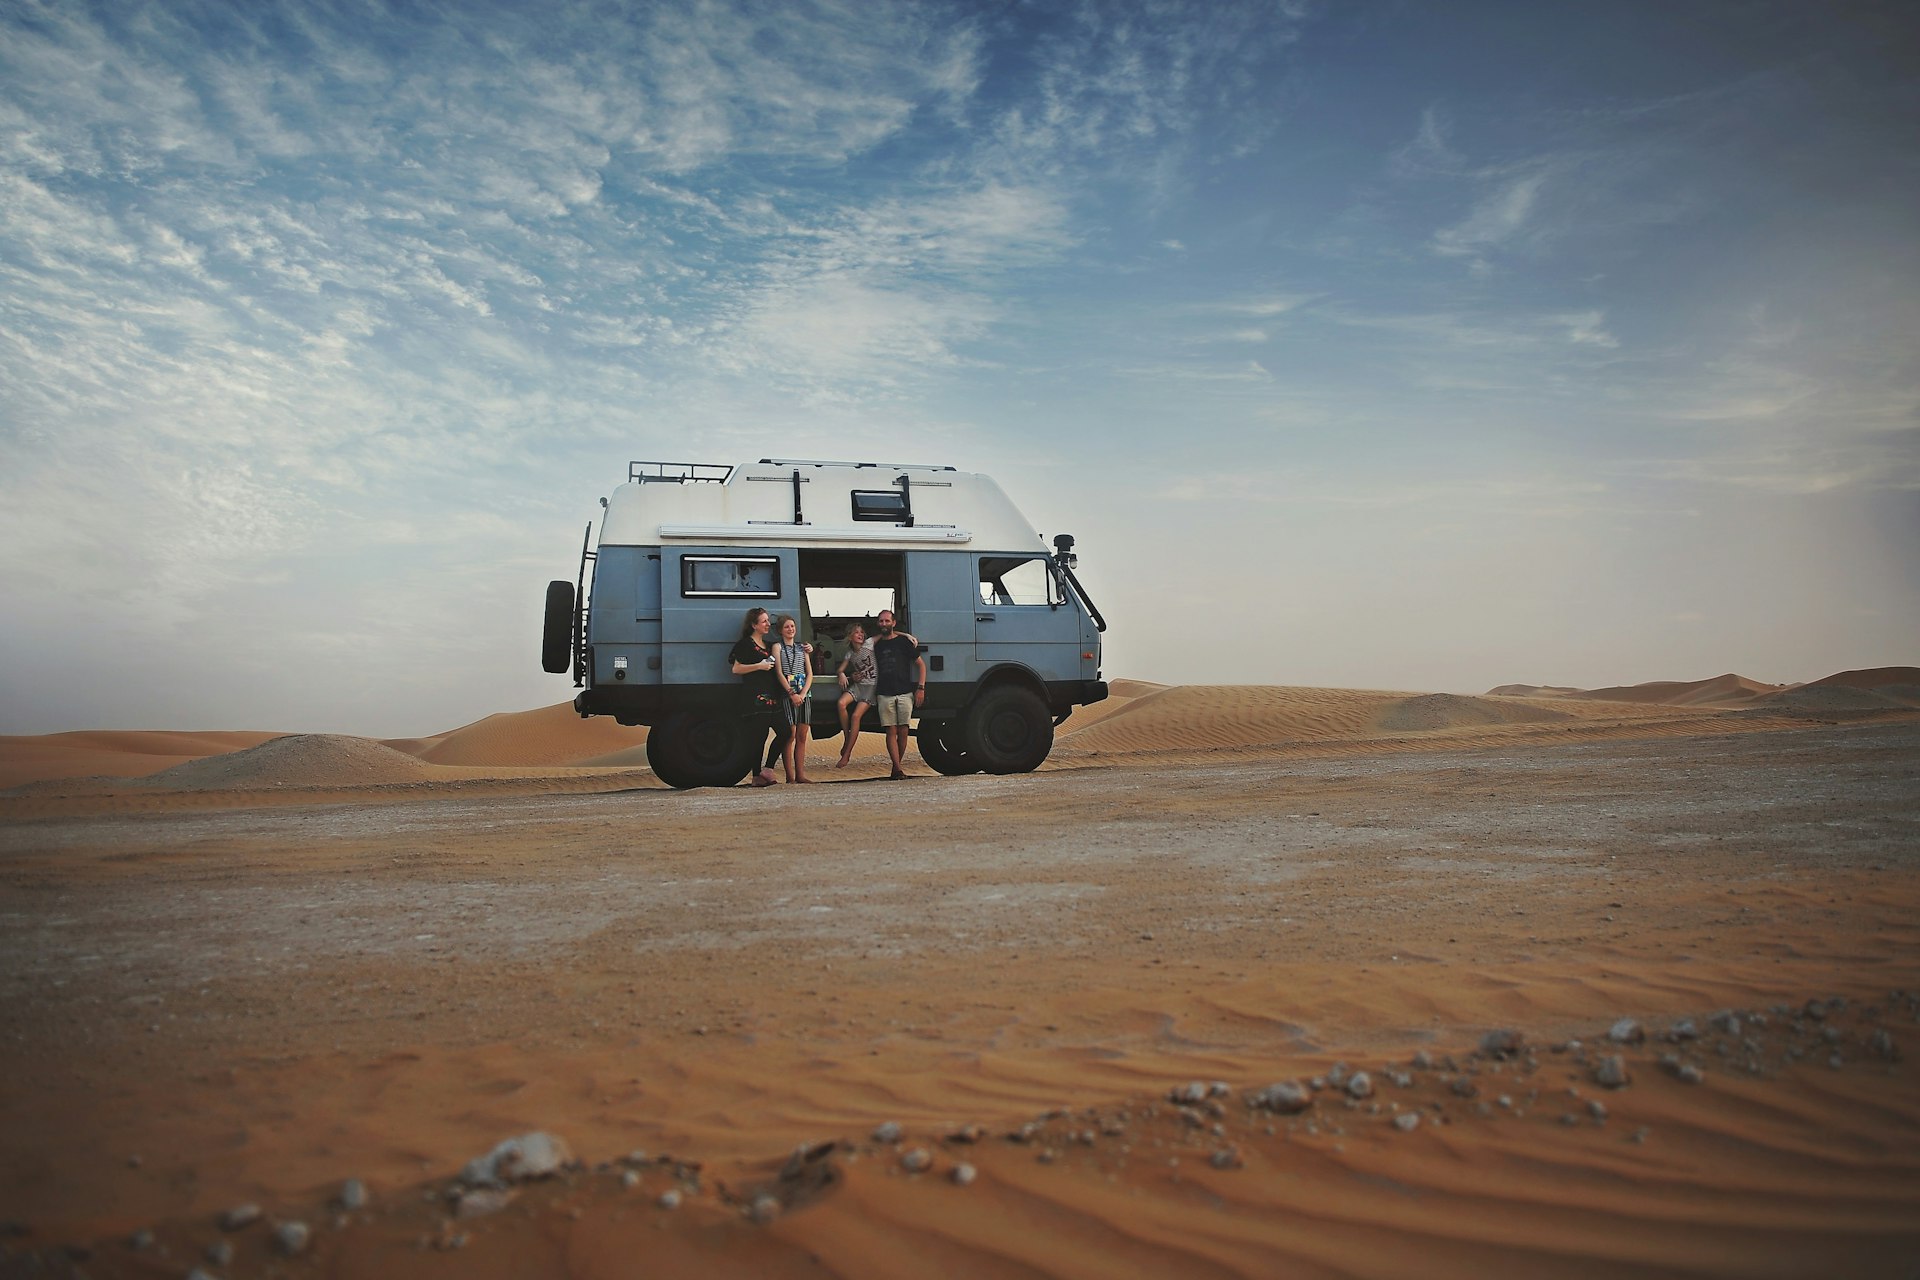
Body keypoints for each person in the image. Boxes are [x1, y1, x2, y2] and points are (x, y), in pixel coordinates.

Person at [727, 607, 785, 787]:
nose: (768, 624)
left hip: (772, 695)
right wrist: (758, 666)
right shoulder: (745, 644)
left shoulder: (769, 645)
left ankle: (767, 768)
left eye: (768, 620)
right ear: (754, 625)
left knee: (786, 732)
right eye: (764, 621)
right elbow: (736, 669)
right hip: (755, 696)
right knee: (759, 737)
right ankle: (756, 776)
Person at [869, 609, 925, 780]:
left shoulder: (903, 643)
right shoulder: (875, 645)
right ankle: (898, 768)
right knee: (890, 731)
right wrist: (905, 633)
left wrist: (921, 688)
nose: (884, 624)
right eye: (881, 621)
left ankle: (896, 767)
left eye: (887, 621)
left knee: (903, 730)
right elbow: (864, 644)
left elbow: (921, 665)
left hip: (905, 692)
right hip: (884, 693)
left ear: (893, 622)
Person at [771, 613, 814, 783]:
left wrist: (802, 694)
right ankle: (790, 776)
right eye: (787, 627)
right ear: (781, 630)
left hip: (804, 692)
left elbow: (810, 673)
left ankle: (800, 774)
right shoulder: (777, 647)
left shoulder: (802, 648)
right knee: (790, 734)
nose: (791, 629)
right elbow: (779, 672)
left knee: (802, 736)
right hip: (788, 691)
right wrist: (792, 693)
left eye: (792, 626)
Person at [833, 621, 876, 767]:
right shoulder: (850, 654)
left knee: (856, 716)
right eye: (857, 632)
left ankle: (847, 754)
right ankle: (847, 737)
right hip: (858, 686)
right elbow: (840, 670)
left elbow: (886, 634)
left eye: (862, 632)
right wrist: (844, 675)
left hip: (871, 687)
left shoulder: (869, 644)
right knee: (841, 703)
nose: (860, 635)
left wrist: (906, 635)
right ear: (850, 636)